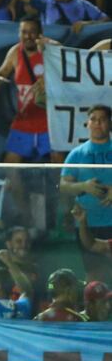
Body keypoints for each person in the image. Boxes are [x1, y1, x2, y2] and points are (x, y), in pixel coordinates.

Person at [0, 16, 57, 163]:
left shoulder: (52, 48)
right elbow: (1, 73)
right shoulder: (15, 52)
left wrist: (53, 48)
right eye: (24, 32)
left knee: (59, 166)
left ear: (41, 33)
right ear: (19, 33)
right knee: (10, 168)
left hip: (50, 122)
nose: (28, 36)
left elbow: (70, 65)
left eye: (32, 32)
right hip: (24, 121)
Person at [64, 115, 112, 284]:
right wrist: (83, 186)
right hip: (90, 222)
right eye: (93, 119)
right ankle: (94, 308)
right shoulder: (77, 153)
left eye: (103, 119)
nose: (98, 123)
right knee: (94, 276)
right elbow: (92, 246)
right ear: (87, 124)